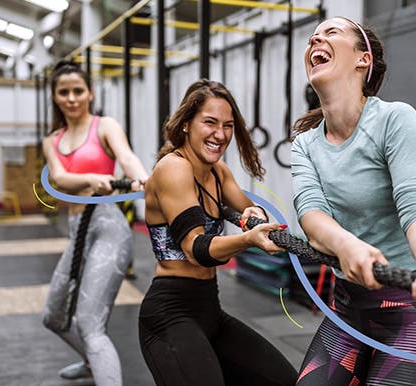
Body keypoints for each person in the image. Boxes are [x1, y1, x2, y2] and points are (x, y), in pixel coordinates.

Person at [291, 17, 416, 385]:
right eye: (313, 36)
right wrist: (347, 245)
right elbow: (311, 215)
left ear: (362, 59)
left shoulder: (395, 120)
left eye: (331, 32)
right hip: (348, 308)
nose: (316, 37)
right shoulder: (305, 144)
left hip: (410, 308)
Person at [138, 79, 298, 386]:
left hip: (210, 309)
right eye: (209, 123)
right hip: (169, 314)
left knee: (284, 380)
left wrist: (254, 215)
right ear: (186, 124)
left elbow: (250, 210)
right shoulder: (174, 168)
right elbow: (196, 249)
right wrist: (248, 239)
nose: (220, 134)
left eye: (227, 125)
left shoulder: (217, 172)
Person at [41, 60, 149, 385]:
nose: (72, 98)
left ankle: (98, 361)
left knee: (90, 325)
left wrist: (143, 179)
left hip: (107, 228)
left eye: (78, 90)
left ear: (90, 93)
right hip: (78, 233)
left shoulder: (105, 126)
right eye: (64, 92)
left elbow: (126, 157)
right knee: (54, 316)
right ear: (55, 97)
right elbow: (60, 179)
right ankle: (92, 362)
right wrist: (94, 177)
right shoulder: (52, 141)